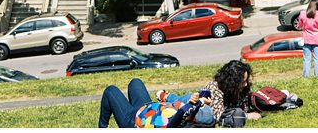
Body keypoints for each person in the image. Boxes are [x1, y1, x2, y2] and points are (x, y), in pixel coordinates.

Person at [97, 60, 262, 128]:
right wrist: (197, 102)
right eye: (243, 81)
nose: (246, 84)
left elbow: (185, 113)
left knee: (111, 90)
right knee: (135, 82)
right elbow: (185, 105)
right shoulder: (190, 108)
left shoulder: (180, 121)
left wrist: (195, 105)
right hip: (149, 107)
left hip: (135, 120)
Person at [295, 0, 318, 78]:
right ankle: (317, 75)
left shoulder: (302, 13)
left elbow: (299, 25)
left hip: (306, 39)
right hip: (317, 39)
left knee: (306, 59)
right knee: (317, 59)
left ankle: (306, 76)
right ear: (317, 6)